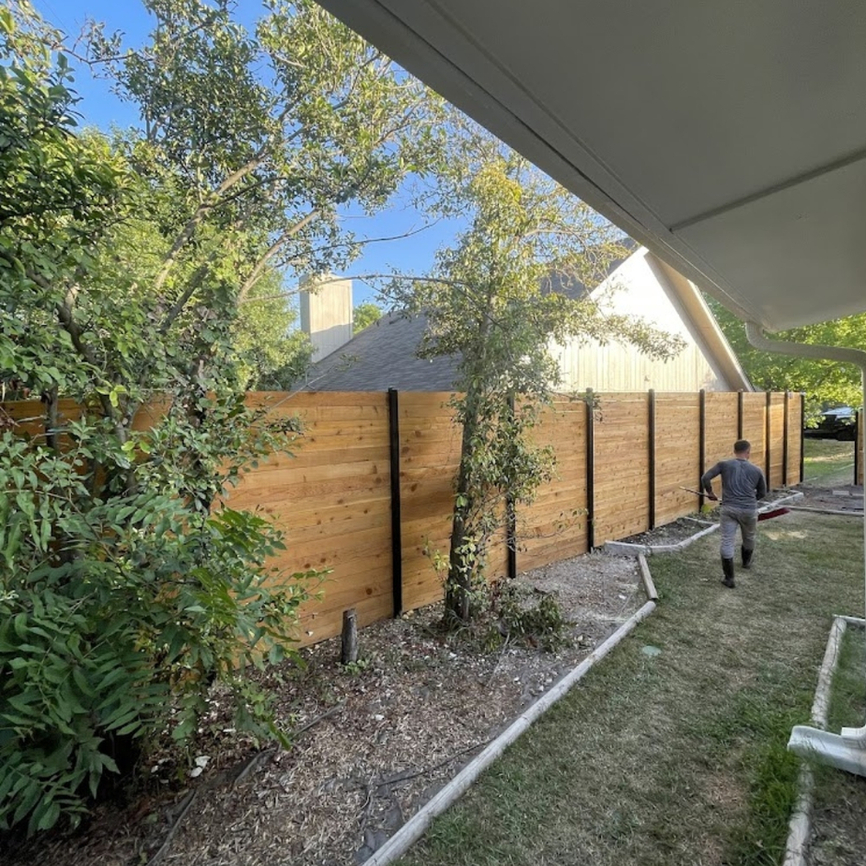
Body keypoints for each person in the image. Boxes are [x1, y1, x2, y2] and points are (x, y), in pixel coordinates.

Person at [700, 439, 767, 589]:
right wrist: (750, 500)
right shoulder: (756, 470)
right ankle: (746, 562)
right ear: (748, 452)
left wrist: (710, 493)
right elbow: (762, 492)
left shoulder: (724, 465)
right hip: (749, 510)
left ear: (734, 451)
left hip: (729, 509)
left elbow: (705, 478)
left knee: (727, 541)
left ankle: (729, 578)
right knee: (749, 537)